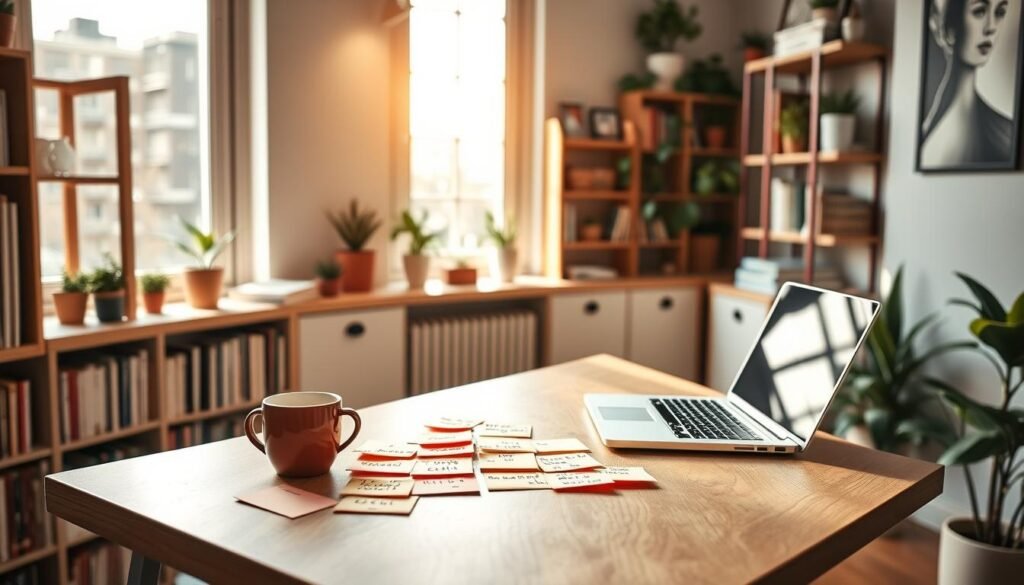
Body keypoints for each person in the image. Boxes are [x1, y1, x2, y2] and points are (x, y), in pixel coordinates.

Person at [920, 0, 1014, 168]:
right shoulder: (932, 141)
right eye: (979, 12)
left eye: (1000, 13)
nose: (991, 28)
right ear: (950, 27)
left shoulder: (1006, 132)